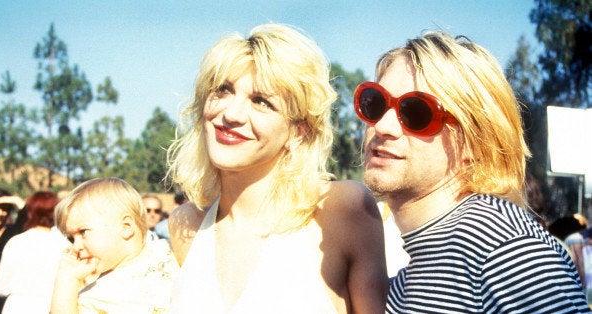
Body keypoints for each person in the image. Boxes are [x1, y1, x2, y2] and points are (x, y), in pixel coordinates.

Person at [356, 30, 590, 312]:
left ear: (475, 144)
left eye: (416, 113)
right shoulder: (414, 276)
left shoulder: (506, 252)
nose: (382, 127)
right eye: (376, 103)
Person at [166, 23, 387, 313]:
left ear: (299, 132)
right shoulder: (186, 226)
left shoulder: (342, 210)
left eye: (261, 102)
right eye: (222, 90)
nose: (230, 114)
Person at [50, 177, 177, 314]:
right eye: (71, 238)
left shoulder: (168, 251)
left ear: (126, 227)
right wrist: (67, 280)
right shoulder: (93, 297)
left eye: (83, 232)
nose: (76, 247)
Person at [0, 191, 69, 313]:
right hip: (51, 307)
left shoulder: (16, 242)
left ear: (30, 212)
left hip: (17, 307)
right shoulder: (65, 245)